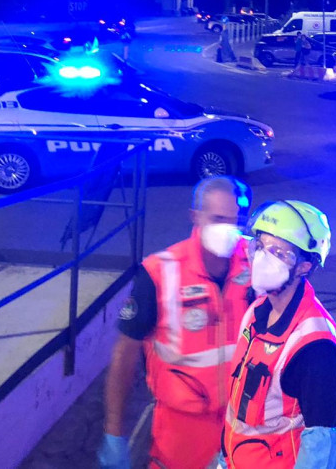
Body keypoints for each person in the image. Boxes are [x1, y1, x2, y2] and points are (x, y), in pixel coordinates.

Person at [99, 176, 254, 469]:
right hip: (182, 431)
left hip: (242, 425)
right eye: (218, 219)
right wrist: (114, 431)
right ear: (195, 216)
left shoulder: (256, 262)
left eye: (237, 221)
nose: (229, 230)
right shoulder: (160, 271)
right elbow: (125, 353)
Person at [220, 201, 336, 469]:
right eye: (260, 247)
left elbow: (321, 450)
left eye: (278, 252)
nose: (262, 258)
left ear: (304, 266)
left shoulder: (315, 346)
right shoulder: (256, 312)